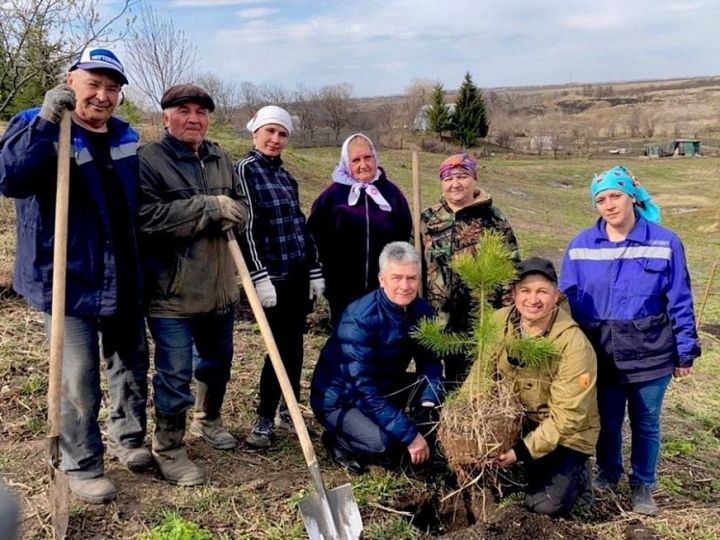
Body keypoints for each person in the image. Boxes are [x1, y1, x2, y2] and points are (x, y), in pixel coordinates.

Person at [0, 46, 149, 503]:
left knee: (129, 362)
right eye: (94, 84)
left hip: (121, 271)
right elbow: (11, 180)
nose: (103, 96)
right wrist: (46, 123)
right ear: (71, 81)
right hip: (67, 274)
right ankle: (81, 463)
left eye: (112, 88)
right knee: (77, 373)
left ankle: (129, 439)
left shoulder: (126, 136)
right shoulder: (36, 123)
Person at [560, 165, 701, 515]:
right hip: (600, 351)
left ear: (632, 197)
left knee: (646, 421)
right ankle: (609, 472)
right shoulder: (580, 246)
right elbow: (564, 301)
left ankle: (643, 484)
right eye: (601, 199)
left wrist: (685, 352)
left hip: (650, 351)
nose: (609, 204)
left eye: (615, 196)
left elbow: (680, 299)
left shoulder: (664, 242)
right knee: (607, 420)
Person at [137, 84, 248, 485]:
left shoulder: (221, 157)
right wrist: (207, 207)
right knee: (174, 373)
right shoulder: (150, 160)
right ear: (165, 116)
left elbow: (239, 206)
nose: (193, 118)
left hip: (219, 288)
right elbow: (147, 217)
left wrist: (236, 211)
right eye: (183, 110)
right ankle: (168, 447)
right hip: (173, 295)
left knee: (217, 364)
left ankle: (209, 418)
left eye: (201, 111)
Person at [310, 241, 443, 474]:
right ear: (382, 279)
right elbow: (362, 390)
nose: (405, 286)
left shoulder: (420, 311)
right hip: (341, 399)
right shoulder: (359, 319)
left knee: (443, 396)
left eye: (411, 278)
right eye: (396, 278)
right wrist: (411, 435)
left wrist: (427, 403)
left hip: (385, 385)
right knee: (383, 444)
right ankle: (337, 440)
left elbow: (430, 360)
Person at [236, 105, 324, 448]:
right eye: (269, 131)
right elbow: (248, 229)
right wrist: (259, 277)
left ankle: (289, 408)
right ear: (255, 132)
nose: (275, 139)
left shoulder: (287, 178)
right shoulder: (245, 171)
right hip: (271, 278)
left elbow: (300, 228)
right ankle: (264, 417)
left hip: (297, 274)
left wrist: (314, 270)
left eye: (282, 133)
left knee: (295, 345)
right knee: (277, 347)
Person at [488, 257, 599, 516]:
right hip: (518, 420)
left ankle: (579, 476)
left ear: (556, 294)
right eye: (525, 290)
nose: (533, 299)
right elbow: (481, 374)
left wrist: (520, 452)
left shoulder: (574, 344)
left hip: (567, 434)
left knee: (543, 506)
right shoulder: (498, 322)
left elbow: (567, 418)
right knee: (500, 487)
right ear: (514, 294)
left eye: (542, 291)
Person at [420, 153, 520, 388]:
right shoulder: (428, 219)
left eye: (462, 176)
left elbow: (510, 268)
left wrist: (508, 316)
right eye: (448, 179)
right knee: (438, 382)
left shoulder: (494, 219)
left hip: (482, 318)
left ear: (474, 178)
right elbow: (415, 266)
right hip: (439, 318)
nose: (455, 184)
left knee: (479, 382)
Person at [307, 133, 412, 327]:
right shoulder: (331, 197)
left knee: (383, 343)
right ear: (346, 163)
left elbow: (405, 234)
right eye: (356, 160)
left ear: (375, 157)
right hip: (343, 289)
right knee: (350, 342)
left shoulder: (392, 194)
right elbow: (313, 237)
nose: (363, 164)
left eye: (367, 157)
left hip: (385, 287)